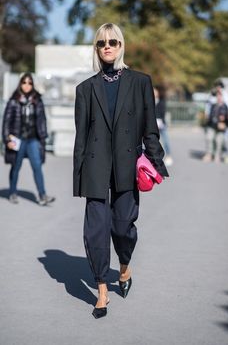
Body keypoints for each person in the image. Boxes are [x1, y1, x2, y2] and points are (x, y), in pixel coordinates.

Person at [73, 23, 169, 319]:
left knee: (122, 227)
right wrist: (78, 177)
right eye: (102, 43)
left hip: (128, 165)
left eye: (113, 41)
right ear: (97, 48)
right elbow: (81, 136)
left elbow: (150, 129)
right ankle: (102, 291)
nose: (108, 47)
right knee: (95, 233)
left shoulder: (140, 82)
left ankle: (124, 267)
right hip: (96, 166)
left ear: (121, 45)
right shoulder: (85, 89)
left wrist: (156, 161)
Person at [2, 72, 55, 205]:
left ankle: (42, 195)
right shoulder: (14, 100)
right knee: (16, 167)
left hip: (33, 139)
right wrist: (7, 139)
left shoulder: (37, 100)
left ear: (32, 84)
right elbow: (6, 121)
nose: (27, 85)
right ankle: (13, 193)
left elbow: (42, 120)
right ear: (20, 84)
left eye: (29, 83)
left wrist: (43, 137)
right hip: (17, 139)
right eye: (24, 82)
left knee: (37, 166)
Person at [203, 89, 228, 162]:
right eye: (218, 96)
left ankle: (217, 155)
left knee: (218, 141)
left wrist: (224, 120)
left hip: (221, 127)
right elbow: (210, 115)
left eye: (220, 96)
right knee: (209, 138)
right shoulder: (213, 105)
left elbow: (227, 117)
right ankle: (209, 154)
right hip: (212, 125)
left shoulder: (225, 106)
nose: (219, 97)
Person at [153, 85, 173, 166]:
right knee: (152, 141)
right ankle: (154, 157)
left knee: (166, 140)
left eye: (155, 91)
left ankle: (168, 156)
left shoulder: (161, 101)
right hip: (152, 124)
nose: (153, 93)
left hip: (161, 124)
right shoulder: (148, 101)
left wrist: (159, 121)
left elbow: (162, 113)